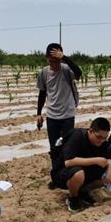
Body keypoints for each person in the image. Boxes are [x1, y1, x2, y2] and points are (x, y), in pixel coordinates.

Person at [35, 43, 82, 185]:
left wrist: (65, 58)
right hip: (52, 116)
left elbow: (79, 73)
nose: (54, 64)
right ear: (46, 58)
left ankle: (66, 175)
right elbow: (42, 93)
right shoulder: (43, 73)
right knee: (54, 148)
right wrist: (38, 113)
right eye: (51, 61)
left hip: (67, 114)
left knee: (67, 147)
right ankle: (56, 177)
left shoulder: (67, 69)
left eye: (57, 61)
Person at [54, 117, 111, 212]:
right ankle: (73, 198)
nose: (101, 140)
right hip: (63, 172)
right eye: (98, 137)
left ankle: (83, 191)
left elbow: (107, 159)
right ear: (91, 131)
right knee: (78, 174)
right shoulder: (78, 135)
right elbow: (68, 162)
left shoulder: (102, 142)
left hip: (86, 170)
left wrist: (110, 168)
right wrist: (95, 160)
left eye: (104, 138)